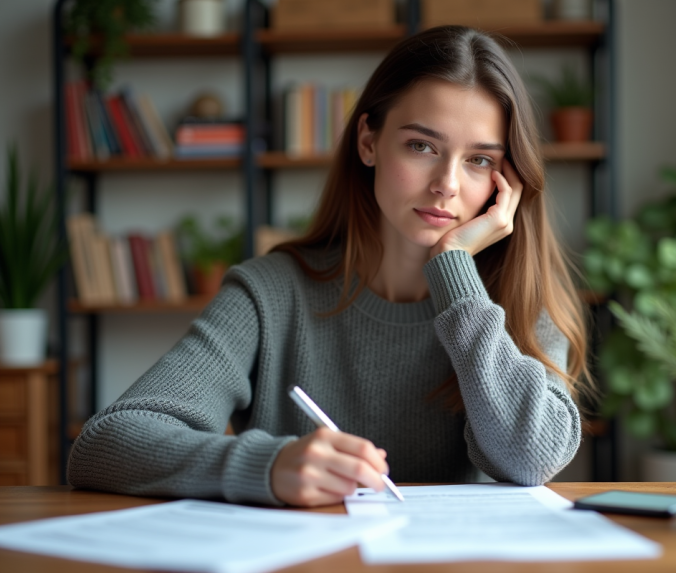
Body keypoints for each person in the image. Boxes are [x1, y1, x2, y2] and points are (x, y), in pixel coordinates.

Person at [67, 25, 594, 508]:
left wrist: (454, 272)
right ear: (368, 142)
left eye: (479, 160)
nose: (447, 185)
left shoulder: (523, 298)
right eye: (421, 146)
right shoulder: (271, 293)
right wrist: (266, 466)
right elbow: (105, 443)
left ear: (506, 181)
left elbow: (531, 459)